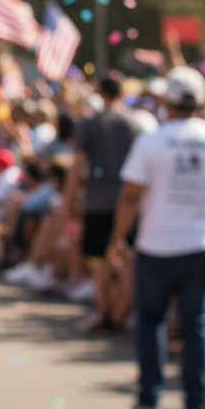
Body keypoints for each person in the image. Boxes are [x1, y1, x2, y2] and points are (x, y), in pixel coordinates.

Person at [109, 67, 205, 409]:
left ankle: (148, 400)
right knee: (196, 325)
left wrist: (118, 239)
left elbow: (130, 195)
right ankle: (195, 408)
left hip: (156, 245)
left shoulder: (152, 141)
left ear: (166, 102)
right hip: (201, 246)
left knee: (151, 322)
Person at [64, 75, 142, 330]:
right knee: (126, 258)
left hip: (98, 202)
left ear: (101, 92)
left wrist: (68, 199)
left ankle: (106, 311)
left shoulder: (92, 123)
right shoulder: (134, 123)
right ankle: (120, 312)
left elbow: (77, 165)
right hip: (127, 202)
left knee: (98, 259)